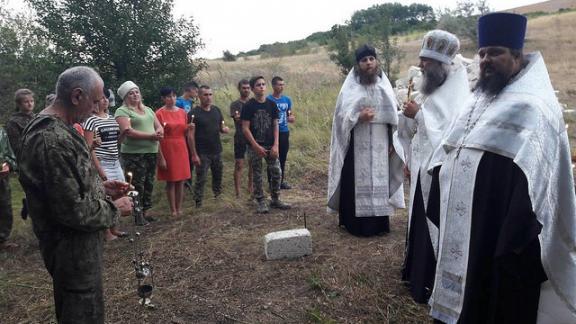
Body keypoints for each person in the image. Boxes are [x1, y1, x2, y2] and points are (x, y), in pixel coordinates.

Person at [428, 13, 576, 324]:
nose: (485, 60)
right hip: (466, 222)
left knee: (494, 299)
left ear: (517, 56)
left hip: (501, 225)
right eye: (482, 53)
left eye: (495, 52)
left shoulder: (534, 106)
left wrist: (512, 235)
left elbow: (536, 182)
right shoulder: (479, 98)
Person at [18, 66, 133, 323]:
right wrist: (116, 209)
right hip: (71, 253)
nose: (95, 108)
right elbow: (72, 211)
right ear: (76, 96)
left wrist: (101, 188)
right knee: (82, 314)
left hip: (78, 251)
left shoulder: (62, 130)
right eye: (94, 101)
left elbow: (65, 188)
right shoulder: (52, 139)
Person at [397, 30, 470, 304]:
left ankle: (427, 281)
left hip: (438, 172)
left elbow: (450, 134)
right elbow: (422, 127)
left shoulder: (457, 91)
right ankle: (415, 273)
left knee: (430, 220)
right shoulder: (433, 86)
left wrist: (420, 115)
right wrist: (410, 116)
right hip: (421, 166)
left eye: (426, 59)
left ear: (440, 64)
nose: (421, 63)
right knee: (418, 218)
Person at [327, 44, 404, 237]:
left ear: (376, 61)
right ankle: (355, 225)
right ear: (358, 64)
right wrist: (357, 117)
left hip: (380, 142)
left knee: (380, 179)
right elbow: (340, 118)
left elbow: (394, 117)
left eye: (371, 59)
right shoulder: (350, 89)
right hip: (356, 142)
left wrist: (392, 142)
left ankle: (379, 224)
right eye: (364, 60)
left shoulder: (384, 86)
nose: (368, 63)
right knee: (355, 179)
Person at [115, 81, 164, 224]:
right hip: (134, 153)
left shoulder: (148, 109)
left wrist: (159, 131)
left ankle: (146, 211)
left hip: (151, 150)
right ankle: (137, 214)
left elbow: (158, 126)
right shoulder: (122, 111)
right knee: (136, 183)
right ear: (125, 97)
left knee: (149, 182)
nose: (135, 95)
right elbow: (128, 131)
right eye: (131, 93)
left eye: (136, 91)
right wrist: (151, 136)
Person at [241, 76, 291, 213]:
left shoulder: (271, 104)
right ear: (252, 88)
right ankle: (261, 201)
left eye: (263, 84)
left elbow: (276, 125)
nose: (262, 87)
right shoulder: (248, 106)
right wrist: (255, 146)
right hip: (255, 146)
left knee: (276, 172)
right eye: (258, 85)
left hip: (270, 144)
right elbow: (245, 128)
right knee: (257, 174)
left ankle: (275, 198)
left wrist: (276, 145)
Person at [84, 89, 127, 240]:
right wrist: (100, 170)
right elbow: (90, 148)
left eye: (106, 98)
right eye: (101, 98)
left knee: (120, 192)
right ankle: (106, 232)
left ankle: (115, 228)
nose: (105, 101)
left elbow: (116, 142)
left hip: (115, 160)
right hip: (102, 162)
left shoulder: (112, 118)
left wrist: (124, 134)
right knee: (105, 196)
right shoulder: (90, 120)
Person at [188, 85, 229, 208]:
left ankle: (218, 197)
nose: (208, 97)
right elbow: (190, 136)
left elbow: (221, 127)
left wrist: (224, 129)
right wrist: (194, 154)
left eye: (210, 94)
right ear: (199, 96)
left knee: (218, 175)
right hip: (202, 152)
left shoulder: (216, 110)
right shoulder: (193, 114)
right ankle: (198, 203)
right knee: (201, 178)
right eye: (205, 95)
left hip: (216, 150)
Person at [155, 87, 192, 217]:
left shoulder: (183, 112)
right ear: (163, 99)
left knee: (181, 180)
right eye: (169, 96)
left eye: (174, 96)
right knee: (171, 180)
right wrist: (161, 157)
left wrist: (189, 128)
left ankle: (180, 207)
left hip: (181, 145)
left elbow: (184, 131)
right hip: (167, 146)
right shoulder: (159, 113)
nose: (172, 99)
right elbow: (157, 136)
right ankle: (173, 210)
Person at [267, 76, 295, 189]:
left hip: (284, 131)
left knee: (283, 157)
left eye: (283, 84)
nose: (281, 87)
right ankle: (271, 182)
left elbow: (290, 114)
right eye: (279, 84)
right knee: (272, 158)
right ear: (273, 86)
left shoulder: (287, 100)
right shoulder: (268, 100)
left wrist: (291, 118)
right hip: (271, 132)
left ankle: (281, 181)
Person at [230, 79, 253, 198]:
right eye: (244, 88)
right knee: (239, 164)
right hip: (240, 137)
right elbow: (237, 119)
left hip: (252, 137)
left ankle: (251, 188)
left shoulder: (253, 102)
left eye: (248, 88)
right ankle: (238, 192)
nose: (246, 90)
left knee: (252, 164)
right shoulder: (235, 104)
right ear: (239, 89)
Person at [0, 126, 17, 250]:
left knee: (4, 207)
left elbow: (10, 154)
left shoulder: (1, 133)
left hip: (2, 178)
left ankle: (2, 239)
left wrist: (8, 164)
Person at [6, 88, 35, 161]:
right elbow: (16, 147)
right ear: (19, 104)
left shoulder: (38, 117)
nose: (30, 104)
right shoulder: (13, 122)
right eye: (26, 102)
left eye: (32, 101)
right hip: (26, 160)